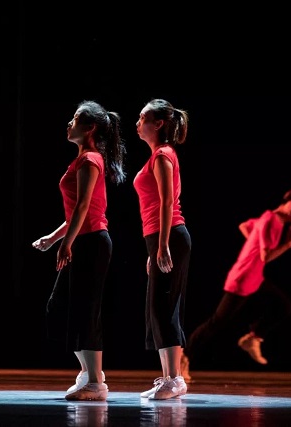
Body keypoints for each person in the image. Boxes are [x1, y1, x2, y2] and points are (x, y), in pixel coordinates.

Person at [32, 100, 126, 401]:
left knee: (86, 310)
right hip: (83, 239)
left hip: (92, 241)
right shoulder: (83, 159)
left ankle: (96, 382)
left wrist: (67, 243)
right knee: (59, 307)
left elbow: (85, 207)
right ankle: (88, 373)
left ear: (90, 128)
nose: (68, 124)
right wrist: (53, 238)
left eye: (74, 119)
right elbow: (76, 212)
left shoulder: (90, 160)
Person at [182, 187, 291, 377]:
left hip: (255, 277)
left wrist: (254, 244)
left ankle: (253, 338)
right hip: (243, 279)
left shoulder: (267, 217)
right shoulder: (271, 221)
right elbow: (266, 256)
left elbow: (244, 226)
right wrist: (289, 243)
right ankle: (184, 356)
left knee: (283, 305)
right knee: (217, 322)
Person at [132, 99, 191, 400]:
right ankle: (169, 378)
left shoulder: (163, 155)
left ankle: (176, 379)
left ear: (158, 124)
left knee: (164, 305)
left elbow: (168, 201)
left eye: (142, 118)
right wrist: (154, 248)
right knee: (158, 307)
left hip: (170, 235)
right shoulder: (157, 155)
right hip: (159, 237)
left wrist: (164, 243)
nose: (137, 123)